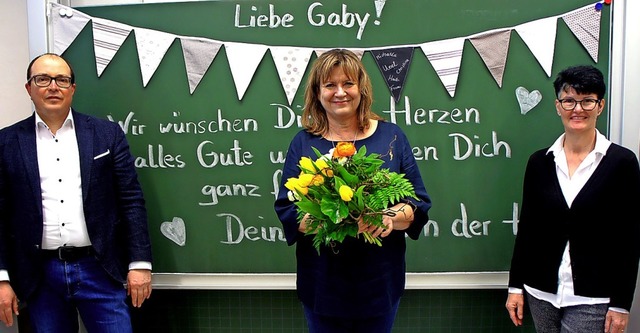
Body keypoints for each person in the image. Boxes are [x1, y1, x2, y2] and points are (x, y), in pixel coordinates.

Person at [274, 48, 431, 333]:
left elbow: (417, 203)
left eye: (348, 83)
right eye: (330, 85)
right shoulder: (303, 142)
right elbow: (288, 209)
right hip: (322, 286)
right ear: (317, 92)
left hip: (379, 284)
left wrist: (388, 217)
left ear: (361, 89)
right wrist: (329, 217)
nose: (340, 92)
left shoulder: (392, 136)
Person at [0, 53, 153, 332]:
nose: (53, 86)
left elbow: (131, 200)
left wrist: (140, 263)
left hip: (100, 269)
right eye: (43, 79)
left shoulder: (107, 134)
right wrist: (1, 278)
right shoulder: (6, 142)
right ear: (29, 88)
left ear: (73, 88)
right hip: (38, 275)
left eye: (62, 79)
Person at [506, 65, 640, 333]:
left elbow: (629, 237)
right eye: (569, 100)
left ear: (600, 106)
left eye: (587, 100)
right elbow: (528, 228)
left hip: (594, 296)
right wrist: (515, 286)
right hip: (540, 291)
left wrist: (621, 304)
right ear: (558, 106)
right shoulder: (539, 163)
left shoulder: (621, 162)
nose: (577, 109)